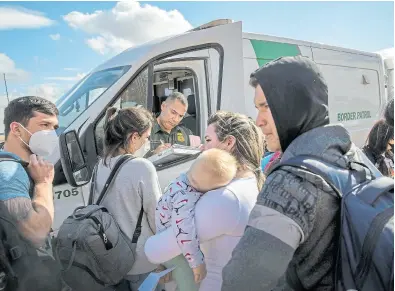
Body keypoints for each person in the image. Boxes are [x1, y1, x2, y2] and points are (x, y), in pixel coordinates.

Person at [221, 56, 370, 291]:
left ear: (294, 104)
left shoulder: (290, 180)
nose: (258, 121)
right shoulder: (355, 158)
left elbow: (240, 281)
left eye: (266, 107)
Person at [145, 111, 264, 291]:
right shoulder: (250, 184)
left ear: (229, 142)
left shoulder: (227, 199)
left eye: (208, 140)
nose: (202, 147)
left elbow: (153, 251)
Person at [90, 107, 162, 290]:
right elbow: (157, 217)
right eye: (146, 137)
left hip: (111, 257)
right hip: (141, 260)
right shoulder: (142, 167)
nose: (147, 143)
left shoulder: (101, 164)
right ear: (133, 137)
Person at [155, 148, 238, 290]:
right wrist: (197, 263)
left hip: (164, 242)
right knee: (190, 285)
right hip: (176, 251)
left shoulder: (182, 179)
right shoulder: (186, 198)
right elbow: (184, 233)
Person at [0, 96, 58, 248]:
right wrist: (43, 183)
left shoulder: (23, 165)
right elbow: (36, 233)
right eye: (45, 125)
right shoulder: (9, 172)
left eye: (54, 128)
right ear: (16, 129)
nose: (52, 134)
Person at [146, 92, 193, 157]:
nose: (176, 119)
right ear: (163, 106)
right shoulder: (145, 131)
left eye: (180, 116)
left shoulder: (186, 133)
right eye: (173, 112)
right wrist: (153, 155)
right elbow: (135, 163)